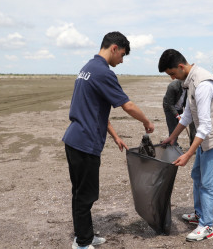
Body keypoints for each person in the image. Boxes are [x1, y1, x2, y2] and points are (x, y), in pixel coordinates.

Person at [62, 31, 154, 249]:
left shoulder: (87, 68)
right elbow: (127, 105)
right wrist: (146, 122)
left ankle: (84, 234)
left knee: (80, 192)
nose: (121, 61)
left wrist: (115, 136)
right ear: (114, 48)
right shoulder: (103, 73)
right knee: (86, 195)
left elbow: (94, 109)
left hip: (74, 138)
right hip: (85, 143)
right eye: (122, 55)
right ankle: (82, 243)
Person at [158, 49, 213, 242]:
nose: (172, 78)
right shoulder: (190, 80)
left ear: (181, 66)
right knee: (197, 175)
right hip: (206, 137)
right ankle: (200, 214)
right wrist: (172, 137)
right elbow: (187, 114)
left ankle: (207, 226)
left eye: (172, 74)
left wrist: (188, 154)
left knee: (209, 182)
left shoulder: (202, 84)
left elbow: (205, 126)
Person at [163, 79, 196, 146]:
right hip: (169, 109)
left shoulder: (188, 87)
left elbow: (186, 102)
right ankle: (173, 147)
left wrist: (187, 113)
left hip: (179, 108)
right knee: (173, 129)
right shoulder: (172, 86)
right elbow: (170, 104)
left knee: (182, 127)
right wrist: (178, 116)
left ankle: (192, 144)